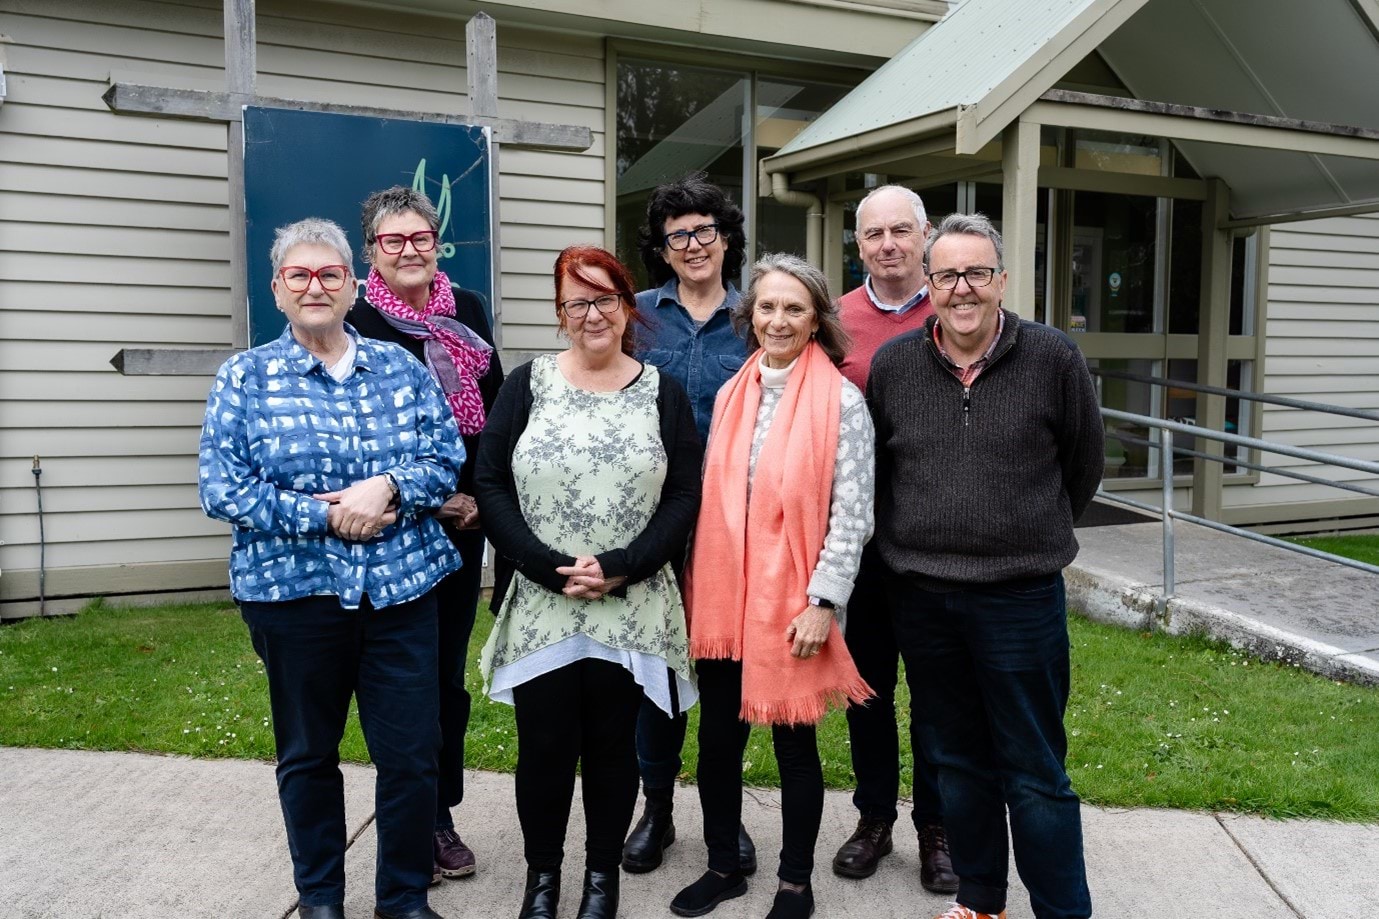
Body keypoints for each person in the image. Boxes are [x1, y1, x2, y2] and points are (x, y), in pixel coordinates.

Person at [199, 218, 461, 919]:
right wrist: (323, 515)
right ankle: (320, 898)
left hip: (402, 593)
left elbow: (444, 459)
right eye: (299, 275)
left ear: (352, 286)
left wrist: (391, 488)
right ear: (279, 290)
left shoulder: (401, 370)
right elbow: (221, 487)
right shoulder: (244, 377)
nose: (315, 286)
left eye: (329, 275)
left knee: (410, 755)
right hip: (295, 595)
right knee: (308, 754)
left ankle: (402, 898)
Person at [867, 213, 1104, 919]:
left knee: (1033, 769)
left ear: (1001, 281)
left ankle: (1061, 909)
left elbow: (1081, 466)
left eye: (976, 273)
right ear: (927, 284)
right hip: (924, 597)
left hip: (1019, 598)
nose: (961, 288)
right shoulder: (894, 367)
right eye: (946, 274)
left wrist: (1023, 531)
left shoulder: (1051, 358)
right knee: (956, 762)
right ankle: (980, 902)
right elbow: (883, 472)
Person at [474, 245, 702, 919]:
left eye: (605, 297)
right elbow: (489, 483)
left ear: (628, 305)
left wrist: (625, 561)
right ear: (560, 313)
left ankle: (600, 880)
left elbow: (685, 493)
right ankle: (541, 878)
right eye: (578, 301)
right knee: (543, 747)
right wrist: (541, 563)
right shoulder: (526, 383)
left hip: (628, 602)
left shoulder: (663, 391)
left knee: (611, 749)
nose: (592, 312)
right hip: (545, 601)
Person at [672, 254, 874, 919]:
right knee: (717, 744)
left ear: (815, 316)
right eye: (766, 307)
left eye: (793, 307)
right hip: (725, 600)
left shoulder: (840, 401)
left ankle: (794, 881)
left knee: (794, 746)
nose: (778, 319)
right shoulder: (734, 391)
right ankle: (724, 865)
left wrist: (823, 601)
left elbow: (853, 513)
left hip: (792, 602)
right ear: (748, 315)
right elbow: (715, 502)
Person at [346, 185, 504, 882]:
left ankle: (439, 812)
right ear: (371, 251)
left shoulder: (464, 310)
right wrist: (437, 496)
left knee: (445, 677)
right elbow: (354, 436)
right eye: (393, 240)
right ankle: (414, 813)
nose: (409, 250)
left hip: (467, 525)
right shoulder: (353, 321)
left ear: (436, 241)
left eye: (420, 237)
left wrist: (481, 497)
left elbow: (494, 410)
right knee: (403, 682)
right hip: (396, 526)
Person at [624, 171, 755, 876]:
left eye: (705, 230)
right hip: (655, 529)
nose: (694, 243)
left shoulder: (755, 318)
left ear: (726, 238)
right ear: (664, 249)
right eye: (679, 235)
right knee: (658, 677)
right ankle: (657, 810)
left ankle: (722, 819)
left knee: (725, 683)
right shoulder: (636, 316)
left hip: (734, 533)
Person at [831, 185, 955, 894]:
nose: (887, 244)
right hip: (861, 542)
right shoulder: (836, 320)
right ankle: (874, 817)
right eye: (873, 233)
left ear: (924, 234)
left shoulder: (955, 308)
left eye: (900, 231)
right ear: (859, 245)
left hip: (937, 540)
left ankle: (935, 827)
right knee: (868, 689)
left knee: (936, 693)